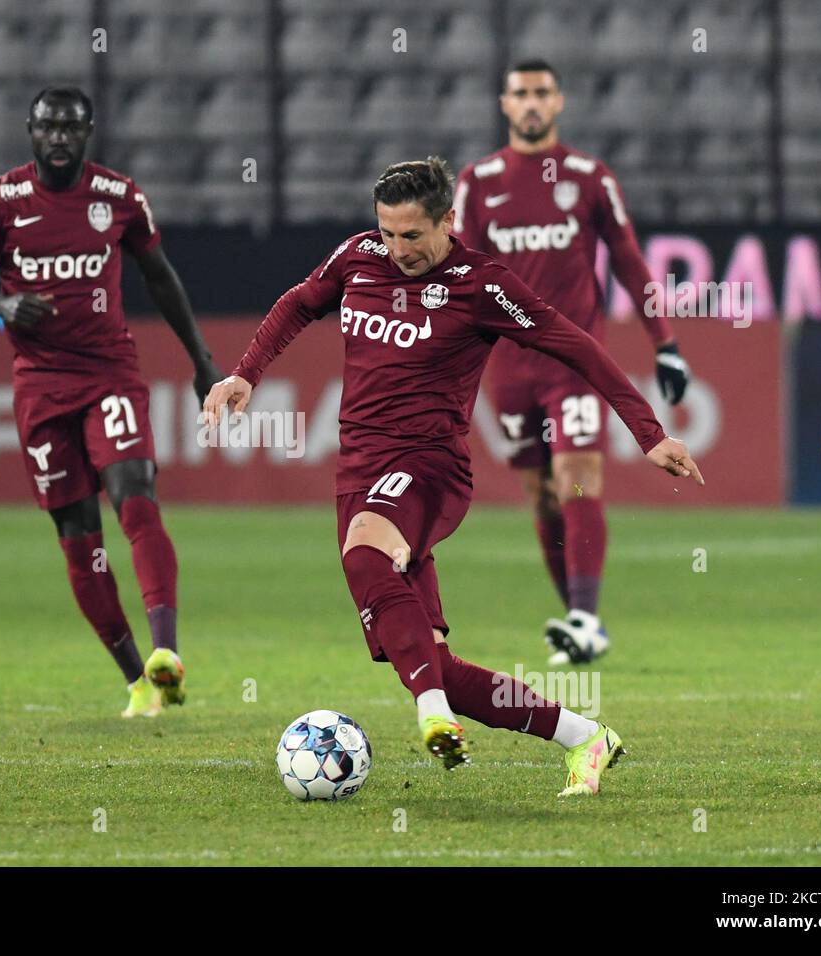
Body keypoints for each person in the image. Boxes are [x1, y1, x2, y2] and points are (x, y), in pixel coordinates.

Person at [204, 159, 703, 795]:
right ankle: (586, 737)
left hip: (429, 467)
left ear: (449, 222)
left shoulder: (480, 284)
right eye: (387, 233)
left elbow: (574, 344)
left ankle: (429, 714)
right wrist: (245, 372)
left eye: (412, 236)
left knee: (365, 556)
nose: (397, 249)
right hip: (357, 472)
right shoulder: (357, 259)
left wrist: (649, 433)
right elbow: (298, 304)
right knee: (434, 664)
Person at [0, 87, 223, 718]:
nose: (59, 138)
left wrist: (201, 359)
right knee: (78, 538)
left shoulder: (119, 198)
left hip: (109, 375)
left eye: (70, 128)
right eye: (48, 128)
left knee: (136, 498)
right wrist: (2, 304)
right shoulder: (0, 201)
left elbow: (160, 277)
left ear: (89, 131)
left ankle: (166, 652)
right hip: (40, 387)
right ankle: (137, 681)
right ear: (30, 131)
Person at [453, 59, 692, 664]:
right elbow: (460, 273)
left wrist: (664, 342)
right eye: (520, 94)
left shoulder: (589, 177)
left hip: (574, 360)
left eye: (541, 93)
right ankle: (580, 623)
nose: (531, 103)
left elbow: (630, 261)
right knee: (541, 494)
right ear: (504, 105)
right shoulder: (477, 183)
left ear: (559, 102)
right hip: (508, 367)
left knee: (578, 476)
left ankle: (585, 615)